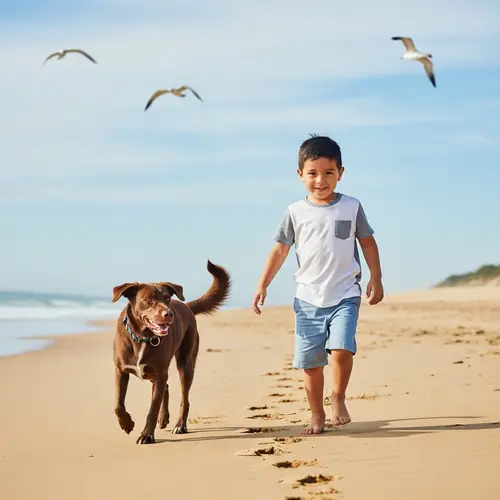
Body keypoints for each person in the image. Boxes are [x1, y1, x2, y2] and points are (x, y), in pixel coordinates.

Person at [252, 134, 384, 435]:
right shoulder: (295, 212)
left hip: (345, 293)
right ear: (300, 175)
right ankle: (316, 414)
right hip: (308, 298)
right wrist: (263, 285)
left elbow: (368, 243)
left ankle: (338, 396)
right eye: (312, 173)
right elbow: (280, 250)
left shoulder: (351, 206)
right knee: (311, 364)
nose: (320, 181)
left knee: (341, 349)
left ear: (340, 173)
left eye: (328, 173)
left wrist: (376, 277)